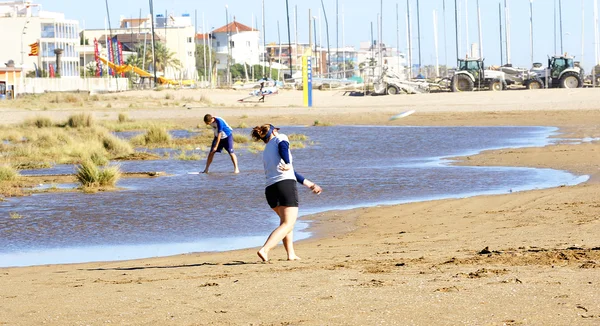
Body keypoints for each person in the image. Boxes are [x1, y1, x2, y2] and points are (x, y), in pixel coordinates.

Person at [250, 124, 322, 262]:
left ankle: (291, 254)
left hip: (270, 189)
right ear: (273, 131)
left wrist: (310, 184)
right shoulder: (280, 138)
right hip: (285, 186)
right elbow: (284, 148)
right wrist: (288, 162)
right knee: (288, 223)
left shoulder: (266, 150)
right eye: (276, 129)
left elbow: (291, 172)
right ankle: (265, 250)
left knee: (286, 222)